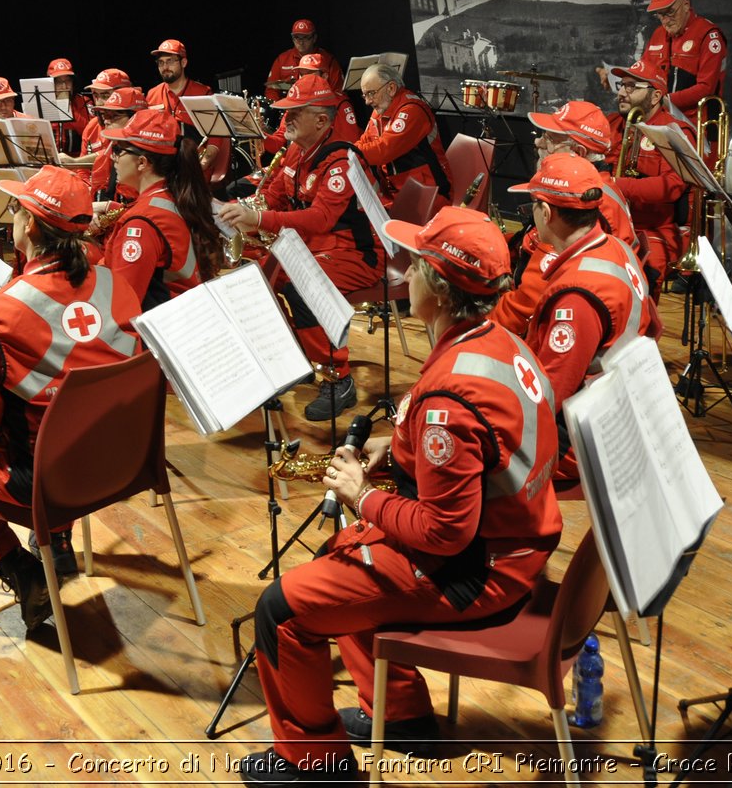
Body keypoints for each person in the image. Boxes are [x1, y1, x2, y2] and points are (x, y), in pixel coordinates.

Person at [239, 206, 561, 786]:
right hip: (513, 542)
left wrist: (364, 495)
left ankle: (316, 765)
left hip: (476, 569)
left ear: (435, 288)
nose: (402, 273)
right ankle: (403, 718)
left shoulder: (449, 399)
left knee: (281, 610)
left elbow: (443, 531)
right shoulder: (498, 339)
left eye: (413, 265)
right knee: (341, 554)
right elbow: (477, 446)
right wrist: (399, 448)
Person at [0, 167, 142, 635]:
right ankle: (55, 540)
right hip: (126, 465)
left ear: (31, 226)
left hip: (52, 482)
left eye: (16, 207)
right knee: (54, 420)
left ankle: (21, 569)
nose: (11, 216)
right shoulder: (118, 285)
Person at [220, 76, 386, 422]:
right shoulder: (296, 151)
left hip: (357, 252)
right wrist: (244, 208)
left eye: (295, 114)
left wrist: (260, 217)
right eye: (286, 113)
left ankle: (339, 379)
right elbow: (277, 195)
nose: (286, 121)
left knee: (301, 289)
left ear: (322, 121)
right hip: (312, 246)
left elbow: (322, 217)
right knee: (256, 279)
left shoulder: (342, 159)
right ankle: (291, 362)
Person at [509, 153, 657, 479]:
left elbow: (547, 397)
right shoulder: (618, 248)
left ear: (545, 213)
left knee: (470, 451)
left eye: (532, 206)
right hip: (620, 405)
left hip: (586, 435)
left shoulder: (576, 298)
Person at [493, 100, 645, 336]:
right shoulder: (599, 187)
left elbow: (526, 304)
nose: (537, 142)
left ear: (579, 153)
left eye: (550, 139)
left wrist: (478, 326)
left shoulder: (579, 204)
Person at [98, 108, 223, 310]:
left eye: (118, 150)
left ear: (142, 163)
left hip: (161, 329)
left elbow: (121, 305)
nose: (114, 158)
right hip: (188, 315)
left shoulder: (142, 223)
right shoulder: (175, 195)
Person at [607, 58, 694, 293]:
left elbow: (672, 186)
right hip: (610, 221)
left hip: (653, 228)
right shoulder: (613, 123)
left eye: (632, 87)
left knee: (646, 271)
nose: (622, 93)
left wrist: (616, 184)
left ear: (655, 97)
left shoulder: (673, 131)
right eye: (622, 85)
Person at [355, 62, 452, 204]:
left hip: (429, 193)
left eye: (371, 93)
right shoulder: (380, 110)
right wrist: (347, 153)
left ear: (391, 88)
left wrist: (349, 152)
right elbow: (364, 141)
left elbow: (384, 149)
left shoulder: (412, 110)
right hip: (398, 193)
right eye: (364, 95)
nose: (368, 102)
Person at [634, 0, 728, 119]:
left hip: (698, 125)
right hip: (661, 120)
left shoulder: (708, 35)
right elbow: (643, 72)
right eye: (660, 14)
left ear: (686, 4)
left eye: (670, 12)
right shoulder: (658, 34)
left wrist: (665, 101)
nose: (665, 20)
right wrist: (617, 77)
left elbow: (706, 87)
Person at [147, 38, 229, 184]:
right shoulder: (152, 95)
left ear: (183, 63)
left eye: (170, 61)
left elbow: (216, 135)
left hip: (193, 167)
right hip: (163, 167)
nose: (165, 66)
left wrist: (204, 163)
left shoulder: (203, 93)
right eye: (161, 62)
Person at [262, 53, 359, 155]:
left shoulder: (340, 103)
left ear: (325, 76)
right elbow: (277, 144)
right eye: (302, 74)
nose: (304, 78)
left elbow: (350, 147)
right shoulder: (293, 103)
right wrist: (259, 135)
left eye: (310, 74)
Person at [61, 67, 133, 186]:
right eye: (95, 95)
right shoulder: (92, 126)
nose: (99, 102)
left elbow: (114, 153)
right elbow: (82, 172)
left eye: (105, 95)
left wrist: (75, 161)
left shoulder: (135, 123)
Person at [266, 18, 344, 97]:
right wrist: (278, 108)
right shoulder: (282, 59)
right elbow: (271, 91)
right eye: (297, 37)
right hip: (290, 106)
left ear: (314, 38)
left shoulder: (328, 60)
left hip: (319, 106)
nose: (301, 42)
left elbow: (339, 92)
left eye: (306, 37)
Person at [44, 58, 89, 156]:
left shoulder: (84, 101)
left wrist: (67, 106)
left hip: (77, 160)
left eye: (68, 81)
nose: (64, 87)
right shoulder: (40, 102)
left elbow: (90, 134)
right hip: (48, 159)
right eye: (59, 82)